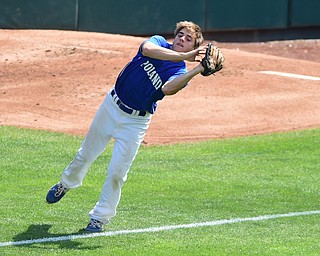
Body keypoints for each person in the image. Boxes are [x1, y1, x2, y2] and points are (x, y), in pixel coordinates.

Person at [46, 21, 207, 232]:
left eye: (188, 39)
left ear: (193, 47)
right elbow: (147, 49)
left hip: (136, 122)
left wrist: (196, 70)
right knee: (86, 154)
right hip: (111, 106)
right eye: (181, 35)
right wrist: (185, 56)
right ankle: (66, 184)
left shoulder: (179, 71)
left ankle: (99, 219)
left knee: (117, 173)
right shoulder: (158, 42)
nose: (182, 39)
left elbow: (168, 89)